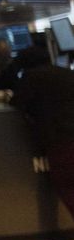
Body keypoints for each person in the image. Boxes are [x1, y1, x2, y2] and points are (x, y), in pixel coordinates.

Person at [11, 55, 74, 218]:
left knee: (66, 184)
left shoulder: (31, 77)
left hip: (61, 138)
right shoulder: (66, 73)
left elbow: (17, 102)